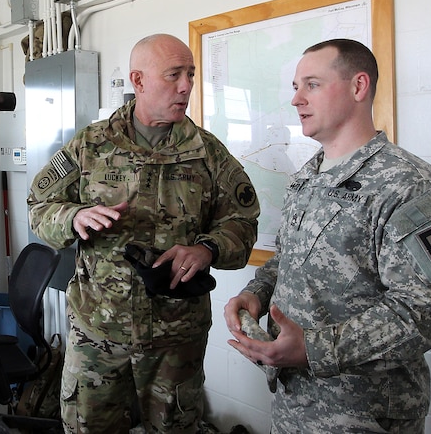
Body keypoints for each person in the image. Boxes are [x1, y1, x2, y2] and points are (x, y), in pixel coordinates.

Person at [223, 39, 431, 433]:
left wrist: (313, 349)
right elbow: (289, 258)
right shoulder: (308, 176)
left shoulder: (408, 185)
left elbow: (424, 311)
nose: (296, 99)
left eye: (312, 85)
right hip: (295, 403)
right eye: (295, 86)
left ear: (358, 87)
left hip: (364, 413)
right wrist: (256, 292)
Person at [28, 34, 260, 433]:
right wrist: (73, 217)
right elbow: (39, 206)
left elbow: (243, 222)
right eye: (174, 75)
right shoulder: (90, 145)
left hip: (176, 336)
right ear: (138, 80)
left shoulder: (209, 153)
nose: (186, 85)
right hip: (98, 331)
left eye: (190, 74)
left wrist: (207, 249)